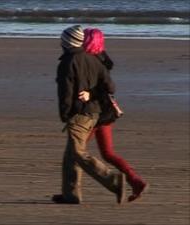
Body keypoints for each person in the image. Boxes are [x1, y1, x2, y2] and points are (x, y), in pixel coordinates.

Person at [53, 25, 126, 204]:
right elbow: (110, 87)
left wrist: (65, 114)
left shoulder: (67, 62)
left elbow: (66, 93)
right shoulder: (94, 60)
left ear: (67, 42)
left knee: (78, 153)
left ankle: (113, 180)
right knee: (71, 154)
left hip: (79, 114)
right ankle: (71, 194)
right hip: (94, 113)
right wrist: (92, 95)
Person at [80, 28, 148, 202]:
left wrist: (89, 94)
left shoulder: (91, 61)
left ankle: (72, 191)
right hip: (106, 113)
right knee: (107, 153)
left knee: (76, 152)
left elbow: (105, 89)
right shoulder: (102, 59)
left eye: (83, 38)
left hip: (95, 114)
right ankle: (135, 180)